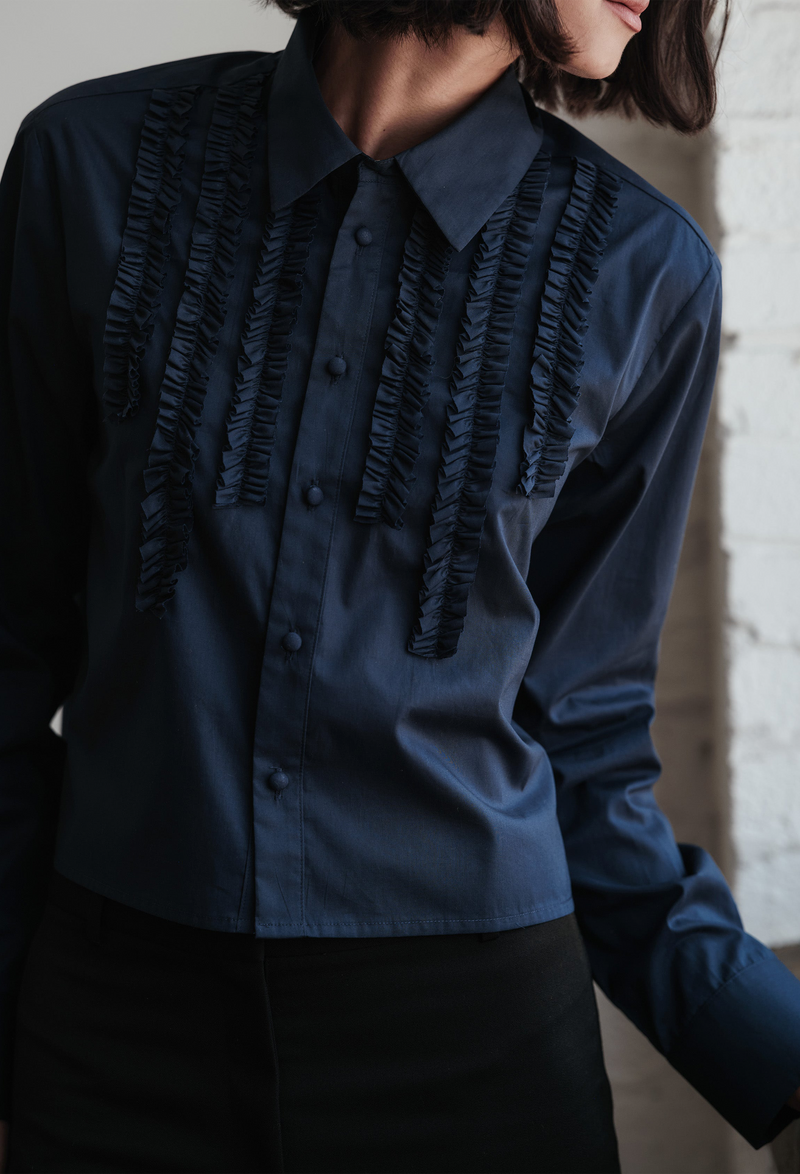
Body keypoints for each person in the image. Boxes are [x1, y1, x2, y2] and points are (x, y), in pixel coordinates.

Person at [1, 0, 800, 1169]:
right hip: (109, 1027)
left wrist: (777, 1064)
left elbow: (583, 742)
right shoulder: (88, 161)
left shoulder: (644, 273)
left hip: (476, 1059)